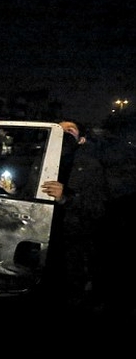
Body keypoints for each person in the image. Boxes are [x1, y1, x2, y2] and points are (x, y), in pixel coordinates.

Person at [41, 120, 108, 314]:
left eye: (70, 130)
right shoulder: (43, 162)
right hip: (45, 240)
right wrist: (13, 192)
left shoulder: (91, 166)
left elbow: (98, 208)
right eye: (59, 129)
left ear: (81, 139)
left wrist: (66, 197)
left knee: (74, 297)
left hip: (75, 243)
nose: (63, 133)